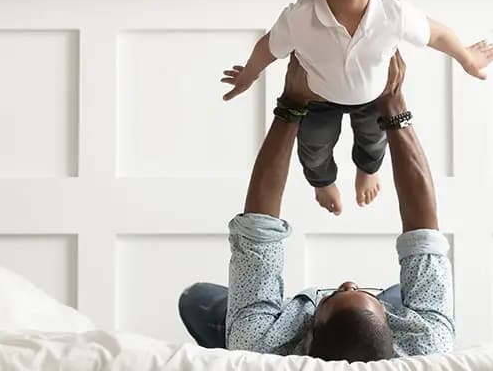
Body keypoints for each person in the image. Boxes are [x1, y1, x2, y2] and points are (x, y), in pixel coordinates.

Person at [221, 0, 493, 214]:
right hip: (318, 99)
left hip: (373, 97)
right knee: (313, 148)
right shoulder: (300, 16)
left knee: (373, 142)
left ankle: (367, 172)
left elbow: (436, 34)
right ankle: (323, 182)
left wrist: (467, 58)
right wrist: (248, 76)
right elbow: (268, 47)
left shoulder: (393, 13)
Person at [180, 51, 453, 361]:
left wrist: (291, 105)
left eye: (339, 293)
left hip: (273, 330)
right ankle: (376, 304)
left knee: (196, 301)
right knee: (400, 293)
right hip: (383, 320)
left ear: (307, 339)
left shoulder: (261, 345)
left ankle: (237, 327)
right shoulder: (427, 344)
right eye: (357, 291)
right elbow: (423, 233)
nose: (347, 282)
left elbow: (259, 228)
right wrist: (394, 106)